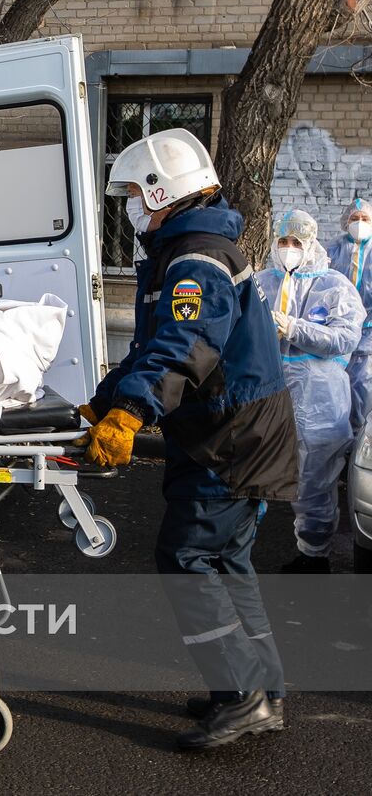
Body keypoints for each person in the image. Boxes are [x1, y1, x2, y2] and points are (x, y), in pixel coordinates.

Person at [83, 129, 297, 750]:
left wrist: (129, 415)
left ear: (160, 190)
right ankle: (262, 690)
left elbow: (186, 346)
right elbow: (153, 349)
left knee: (186, 560)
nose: (127, 205)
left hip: (228, 438)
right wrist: (100, 404)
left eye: (131, 193)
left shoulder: (195, 260)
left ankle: (242, 696)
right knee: (226, 562)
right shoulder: (184, 251)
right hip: (233, 429)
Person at [255, 210, 364, 575]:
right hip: (267, 391)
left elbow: (346, 337)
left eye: (296, 243)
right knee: (257, 468)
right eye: (283, 241)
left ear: (311, 245)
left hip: (319, 396)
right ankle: (237, 546)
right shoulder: (260, 283)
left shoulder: (334, 286)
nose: (288, 249)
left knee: (315, 478)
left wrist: (296, 328)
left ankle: (313, 555)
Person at [326, 198, 372, 432]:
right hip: (338, 328)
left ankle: (360, 435)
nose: (359, 223)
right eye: (355, 218)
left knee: (363, 383)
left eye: (365, 219)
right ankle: (338, 433)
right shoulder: (332, 250)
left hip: (369, 332)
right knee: (336, 382)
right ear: (346, 222)